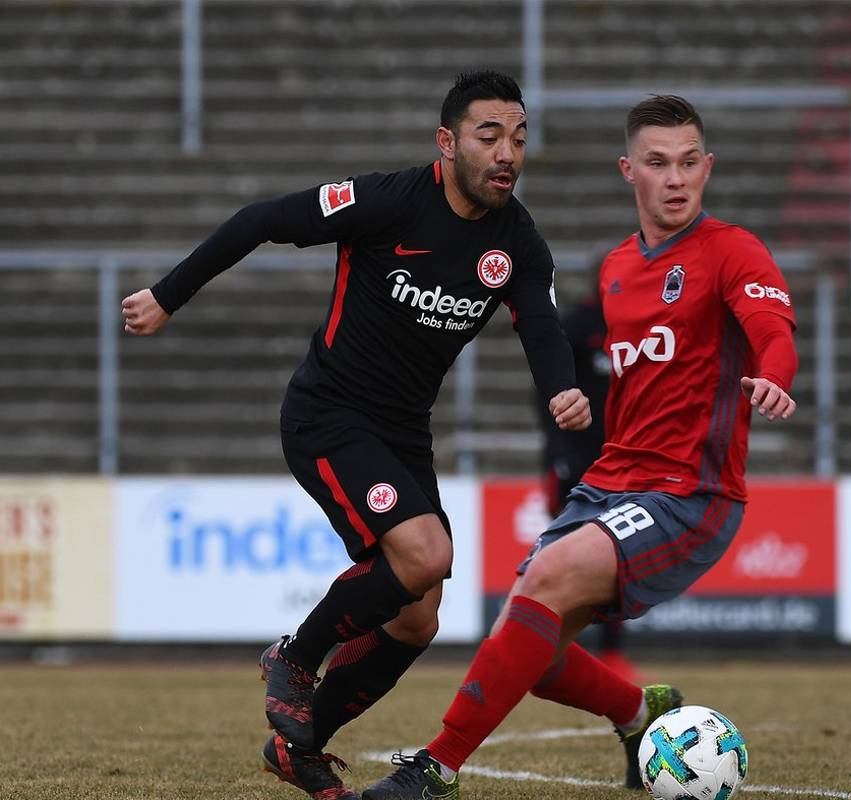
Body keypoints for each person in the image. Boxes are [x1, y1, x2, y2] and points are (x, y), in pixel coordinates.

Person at [120, 70, 590, 800]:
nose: (507, 152)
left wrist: (563, 388)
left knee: (419, 616)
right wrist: (167, 295)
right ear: (447, 142)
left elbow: (541, 325)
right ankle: (295, 657)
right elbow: (262, 218)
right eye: (489, 135)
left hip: (403, 432)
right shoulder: (388, 201)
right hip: (329, 413)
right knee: (428, 553)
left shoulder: (518, 242)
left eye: (519, 137)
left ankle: (297, 748)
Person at [363, 94, 797, 800]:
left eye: (689, 162)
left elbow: (773, 329)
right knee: (521, 644)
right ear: (630, 170)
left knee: (546, 581)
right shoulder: (617, 270)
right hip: (612, 481)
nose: (676, 178)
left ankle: (434, 768)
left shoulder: (732, 250)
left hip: (691, 491)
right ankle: (639, 711)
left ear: (708, 167)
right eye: (658, 163)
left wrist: (773, 378)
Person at [536, 251, 642, 682]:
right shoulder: (578, 326)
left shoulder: (639, 326)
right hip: (574, 461)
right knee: (562, 557)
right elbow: (549, 393)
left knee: (616, 560)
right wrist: (557, 449)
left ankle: (612, 654)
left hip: (621, 461)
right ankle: (551, 647)